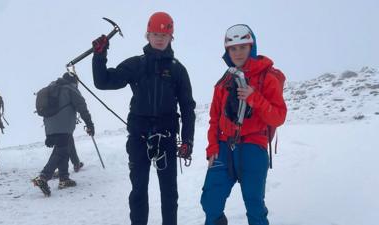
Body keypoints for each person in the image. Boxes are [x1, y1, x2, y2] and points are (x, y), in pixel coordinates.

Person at [92, 11, 196, 225]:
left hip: (166, 138)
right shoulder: (136, 65)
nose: (159, 38)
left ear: (171, 38)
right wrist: (99, 56)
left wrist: (187, 141)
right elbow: (103, 82)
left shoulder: (178, 70)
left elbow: (187, 108)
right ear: (147, 35)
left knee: (169, 193)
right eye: (155, 33)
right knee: (138, 191)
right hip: (138, 139)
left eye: (164, 35)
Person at [200, 24, 287, 225]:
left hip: (253, 148)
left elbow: (278, 117)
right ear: (227, 51)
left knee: (255, 206)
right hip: (223, 147)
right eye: (233, 48)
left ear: (251, 47)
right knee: (210, 202)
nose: (237, 53)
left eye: (242, 47)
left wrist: (254, 97)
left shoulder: (268, 77)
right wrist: (212, 147)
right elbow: (214, 118)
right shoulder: (224, 81)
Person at [32, 72, 94, 196]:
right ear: (74, 81)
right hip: (64, 125)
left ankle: (64, 179)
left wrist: (48, 134)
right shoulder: (70, 89)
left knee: (64, 148)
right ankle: (43, 177)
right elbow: (82, 107)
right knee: (61, 150)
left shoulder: (52, 88)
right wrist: (89, 124)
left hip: (50, 126)